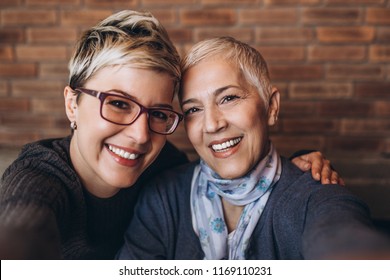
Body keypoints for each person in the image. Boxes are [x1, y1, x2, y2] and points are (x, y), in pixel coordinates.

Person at [0, 11, 339, 260]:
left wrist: (301, 161)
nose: (139, 135)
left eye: (159, 113)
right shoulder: (38, 180)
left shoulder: (162, 164)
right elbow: (21, 227)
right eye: (118, 104)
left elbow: (224, 160)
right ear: (72, 105)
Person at [117, 36, 390, 260]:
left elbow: (342, 233)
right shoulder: (163, 197)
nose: (212, 124)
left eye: (229, 98)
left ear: (271, 107)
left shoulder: (315, 195)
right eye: (194, 109)